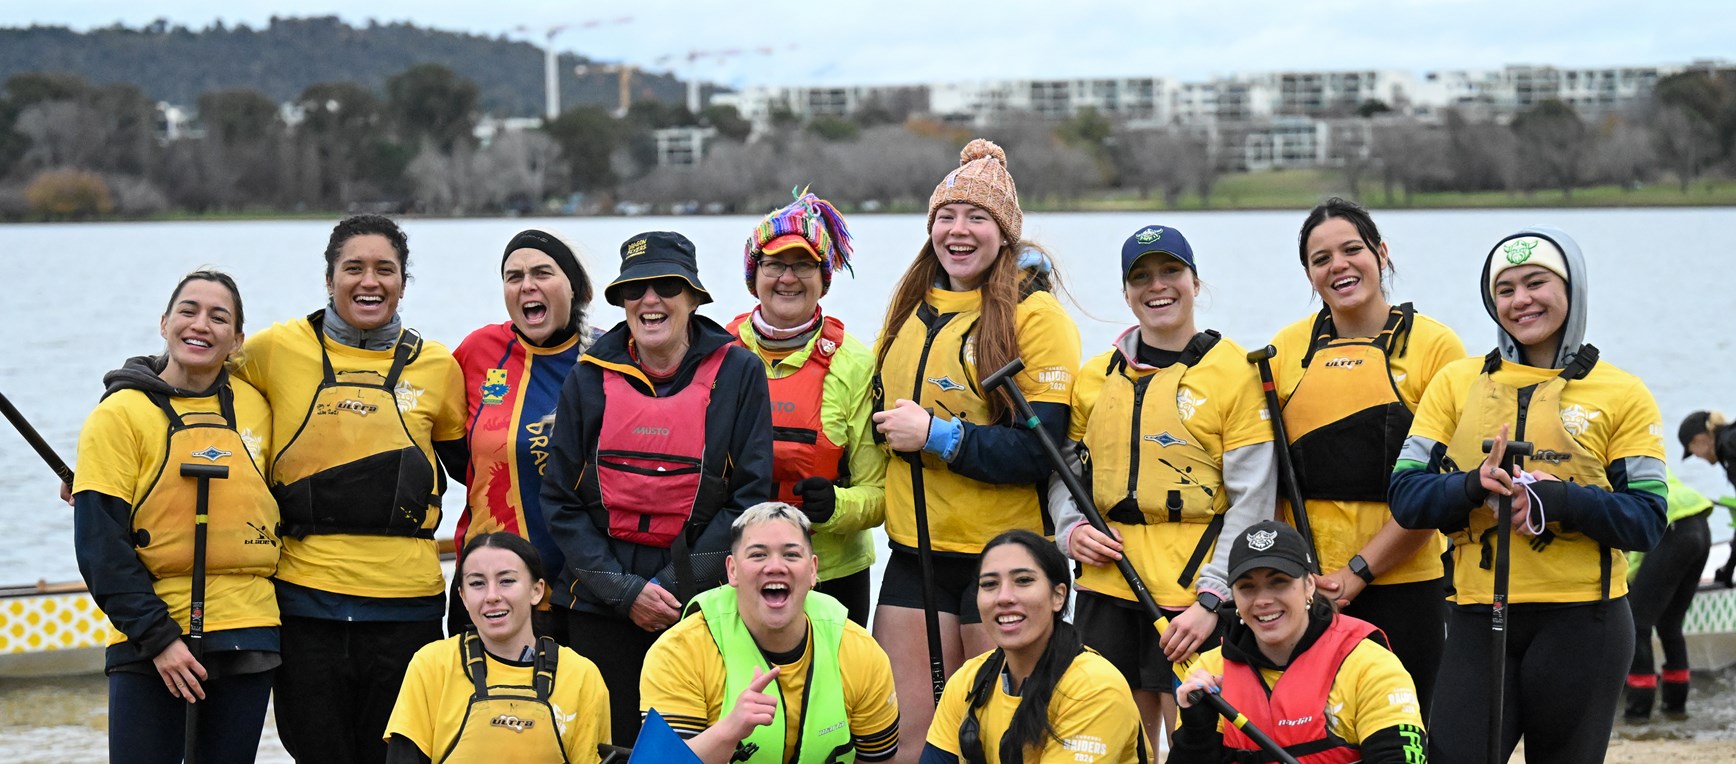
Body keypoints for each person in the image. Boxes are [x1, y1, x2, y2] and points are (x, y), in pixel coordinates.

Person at [1389, 227, 1667, 763]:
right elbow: (1406, 497)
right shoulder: (1455, 384)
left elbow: (1647, 522)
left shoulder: (1623, 393)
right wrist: (1472, 485)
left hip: (1585, 622)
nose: (1521, 300)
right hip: (1476, 614)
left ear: (1572, 288)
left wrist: (1558, 500)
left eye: (1536, 283)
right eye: (1506, 290)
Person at [870, 138, 1081, 748]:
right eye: (946, 217)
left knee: (1000, 741)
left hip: (1002, 555)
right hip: (914, 554)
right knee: (903, 740)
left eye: (977, 218)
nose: (958, 232)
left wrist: (937, 436)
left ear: (1005, 233)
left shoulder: (1036, 318)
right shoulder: (908, 308)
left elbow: (1035, 454)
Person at [236, 214, 468, 763]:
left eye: (385, 270)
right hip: (303, 603)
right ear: (329, 278)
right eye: (354, 268)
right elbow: (190, 381)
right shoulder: (274, 349)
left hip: (406, 607)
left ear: (403, 283)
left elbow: (483, 466)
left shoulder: (435, 365)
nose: (370, 282)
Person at [542, 231, 775, 745]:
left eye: (667, 286)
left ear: (693, 297)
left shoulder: (739, 373)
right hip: (599, 600)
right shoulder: (587, 377)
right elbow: (559, 498)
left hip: (698, 599)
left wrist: (674, 585)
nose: (649, 300)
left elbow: (750, 497)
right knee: (606, 747)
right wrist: (623, 592)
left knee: (692, 748)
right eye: (635, 289)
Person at [1053, 224, 1276, 745]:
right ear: (1126, 292)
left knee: (1193, 741)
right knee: (1112, 738)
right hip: (1108, 584)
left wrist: (1214, 600)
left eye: (1171, 271)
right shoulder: (1095, 375)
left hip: (1190, 596)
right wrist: (1070, 531)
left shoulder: (1234, 373)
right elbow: (1064, 470)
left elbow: (1254, 497)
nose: (1158, 286)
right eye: (1141, 277)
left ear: (1195, 282)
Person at [1266, 198, 1466, 719]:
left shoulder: (1436, 348)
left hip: (1406, 584)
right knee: (1316, 738)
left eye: (1352, 249)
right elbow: (1261, 475)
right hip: (1305, 590)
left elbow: (1441, 490)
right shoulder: (1284, 350)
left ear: (1381, 253)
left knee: (1406, 733)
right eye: (1321, 258)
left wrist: (1358, 572)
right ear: (1308, 274)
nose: (1339, 266)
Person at [73, 270, 280, 763]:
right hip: (148, 643)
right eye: (188, 311)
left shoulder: (260, 406)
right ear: (164, 323)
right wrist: (160, 640)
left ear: (237, 341)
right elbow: (100, 548)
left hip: (247, 635)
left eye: (219, 317)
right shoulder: (118, 415)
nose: (201, 324)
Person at [727, 191, 887, 626]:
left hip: (833, 572)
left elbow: (880, 495)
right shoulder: (716, 352)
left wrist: (834, 505)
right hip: (736, 568)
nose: (788, 278)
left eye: (802, 265)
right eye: (775, 264)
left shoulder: (856, 364)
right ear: (753, 276)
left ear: (824, 278)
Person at [640, 502, 900, 762]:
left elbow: (879, 759)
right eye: (758, 555)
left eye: (791, 555)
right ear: (732, 570)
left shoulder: (858, 650)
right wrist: (729, 731)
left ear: (812, 570)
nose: (775, 566)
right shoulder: (680, 650)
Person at [1170, 521, 1427, 763]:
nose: (1262, 600)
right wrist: (1196, 732)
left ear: (1309, 586)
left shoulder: (1369, 664)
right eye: (1247, 587)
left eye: (1278, 582)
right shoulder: (1209, 670)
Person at [450, 228, 596, 641]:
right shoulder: (479, 350)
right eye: (514, 277)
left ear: (578, 289)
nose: (527, 285)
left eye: (542, 273)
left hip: (580, 592)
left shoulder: (607, 358)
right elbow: (451, 449)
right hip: (487, 590)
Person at [921, 529, 1151, 763]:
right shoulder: (968, 680)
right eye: (989, 584)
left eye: (1023, 581)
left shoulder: (1095, 687)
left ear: (1058, 596)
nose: (1004, 597)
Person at [385, 532, 610, 763]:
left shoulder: (581, 675)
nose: (492, 596)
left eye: (507, 581)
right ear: (462, 596)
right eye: (477, 584)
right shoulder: (432, 664)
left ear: (537, 591)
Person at [1623, 470, 1715, 721]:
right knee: (1670, 624)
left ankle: (1637, 712)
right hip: (1701, 527)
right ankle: (1676, 708)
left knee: (1637, 624)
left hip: (1673, 528)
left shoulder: (1611, 475)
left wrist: (1628, 582)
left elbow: (1637, 546)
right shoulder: (1645, 462)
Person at [1680, 409, 1736, 585]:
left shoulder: (1729, 444)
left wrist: (1728, 570)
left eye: (1692, 451)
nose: (1697, 456)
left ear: (1700, 439)